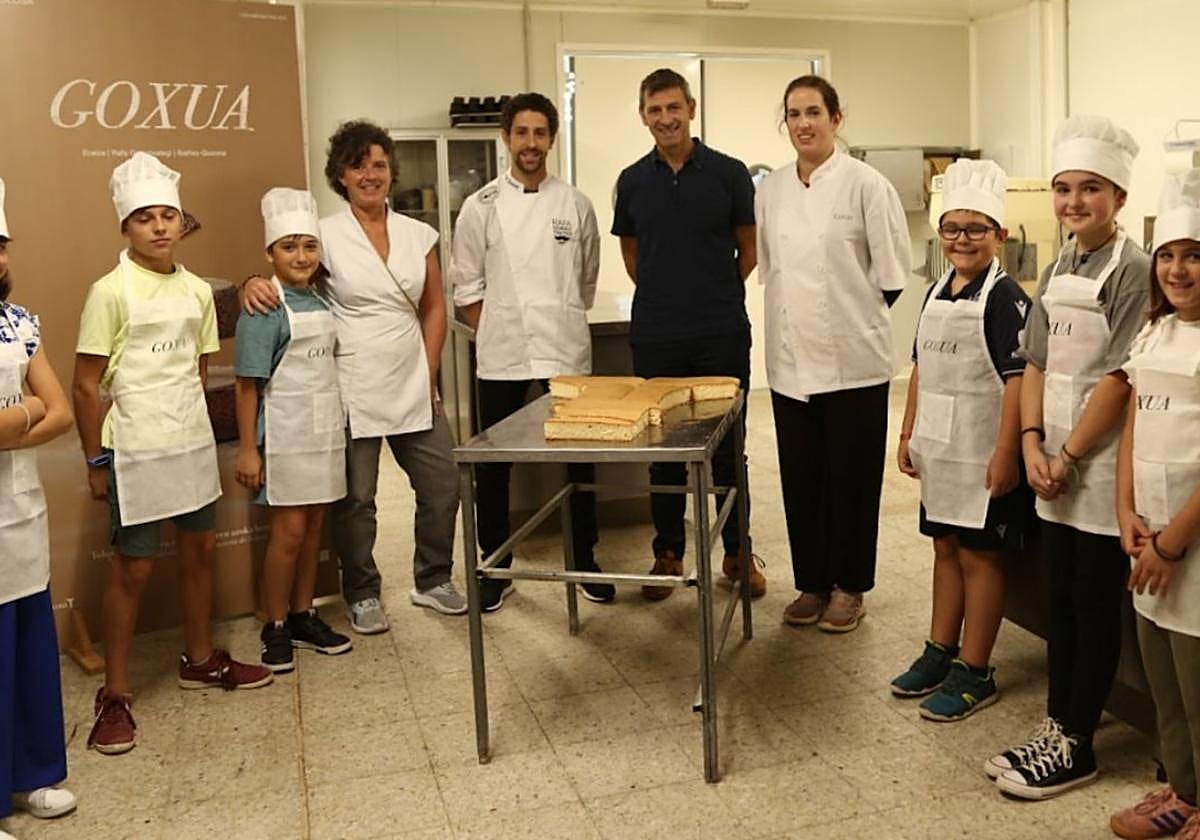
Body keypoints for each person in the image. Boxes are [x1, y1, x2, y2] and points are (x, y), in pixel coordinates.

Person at [73, 153, 273, 757]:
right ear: (125, 227)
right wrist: (96, 461)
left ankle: (200, 658)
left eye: (168, 216)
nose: (159, 227)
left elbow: (198, 369)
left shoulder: (196, 291)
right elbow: (85, 385)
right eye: (145, 218)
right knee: (132, 570)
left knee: (199, 553)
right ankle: (115, 692)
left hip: (189, 446)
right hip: (135, 450)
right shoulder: (109, 292)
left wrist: (191, 429)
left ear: (181, 223)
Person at [243, 121, 465, 632]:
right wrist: (252, 282)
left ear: (391, 172)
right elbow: (289, 271)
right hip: (349, 380)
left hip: (412, 376)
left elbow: (434, 307)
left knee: (443, 483)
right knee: (356, 499)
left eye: (379, 165)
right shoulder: (324, 233)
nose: (370, 174)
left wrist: (429, 372)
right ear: (340, 176)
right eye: (358, 165)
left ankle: (433, 579)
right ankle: (362, 592)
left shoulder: (419, 235)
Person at [989, 115, 1149, 800]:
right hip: (1051, 463)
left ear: (1118, 196)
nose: (1074, 201)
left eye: (1090, 188)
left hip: (1102, 468)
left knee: (1093, 603)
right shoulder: (1058, 267)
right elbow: (1035, 362)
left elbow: (1120, 379)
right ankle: (1057, 724)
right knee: (1060, 601)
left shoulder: (1134, 270)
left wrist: (1069, 457)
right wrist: (1032, 444)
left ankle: (1078, 743)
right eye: (1063, 188)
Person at [755, 75, 912, 632]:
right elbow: (771, 268)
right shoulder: (770, 189)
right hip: (790, 361)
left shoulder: (867, 185)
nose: (803, 123)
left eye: (814, 112)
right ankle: (813, 582)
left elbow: (893, 276)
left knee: (851, 480)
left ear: (836, 119)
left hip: (853, 362)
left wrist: (852, 321)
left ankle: (850, 586)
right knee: (802, 480)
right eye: (794, 114)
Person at [449, 92, 613, 610]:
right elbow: (466, 287)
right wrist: (501, 329)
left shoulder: (576, 204)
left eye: (540, 133)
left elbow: (585, 281)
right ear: (506, 138)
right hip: (502, 356)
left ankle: (585, 560)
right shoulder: (480, 207)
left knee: (580, 460)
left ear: (551, 139)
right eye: (521, 132)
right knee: (494, 464)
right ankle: (496, 565)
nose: (530, 142)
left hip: (565, 351)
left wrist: (554, 318)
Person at [611, 67, 763, 600]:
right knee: (664, 449)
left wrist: (710, 293)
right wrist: (668, 296)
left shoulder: (730, 173)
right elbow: (632, 255)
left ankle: (737, 553)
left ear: (691, 109)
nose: (666, 118)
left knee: (728, 449)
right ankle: (668, 553)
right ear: (643, 116)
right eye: (655, 110)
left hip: (721, 331)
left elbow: (749, 248)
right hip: (657, 334)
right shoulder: (633, 181)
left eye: (674, 107)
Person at [891, 159, 1034, 720]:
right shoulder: (935, 292)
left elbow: (1018, 381)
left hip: (983, 454)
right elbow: (921, 367)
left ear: (999, 234)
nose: (962, 239)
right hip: (940, 449)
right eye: (952, 228)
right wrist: (908, 430)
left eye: (976, 229)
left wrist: (1007, 452)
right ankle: (940, 649)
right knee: (945, 548)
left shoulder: (1005, 299)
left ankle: (975, 668)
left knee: (980, 556)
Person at [1109, 169, 1200, 840]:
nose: (1177, 269)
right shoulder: (1153, 333)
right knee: (1163, 676)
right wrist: (1126, 514)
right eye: (1167, 254)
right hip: (1150, 538)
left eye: (1194, 255)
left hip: (1189, 542)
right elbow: (1133, 429)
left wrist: (1172, 544)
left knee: (1199, 685)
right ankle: (1183, 789)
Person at [234, 188, 353, 672]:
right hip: (284, 437)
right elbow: (247, 385)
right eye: (289, 247)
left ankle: (305, 615)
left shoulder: (321, 297)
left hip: (323, 434)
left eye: (309, 246)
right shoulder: (264, 308)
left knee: (315, 528)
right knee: (289, 533)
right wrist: (249, 449)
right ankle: (276, 623)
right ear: (270, 253)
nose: (301, 257)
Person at [0, 178, 78, 831]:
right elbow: (40, 409)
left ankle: (33, 774)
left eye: (0, 245)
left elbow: (62, 413)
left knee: (28, 648)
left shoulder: (19, 323)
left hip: (19, 512)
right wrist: (29, 411)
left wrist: (17, 419)